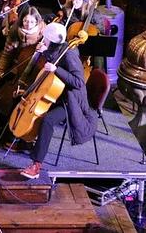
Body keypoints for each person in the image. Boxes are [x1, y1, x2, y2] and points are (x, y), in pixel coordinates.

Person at [19, 22, 97, 179]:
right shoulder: (57, 48)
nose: (43, 41)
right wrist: (44, 52)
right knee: (32, 108)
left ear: (52, 40)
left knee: (47, 120)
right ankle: (27, 140)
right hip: (57, 94)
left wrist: (56, 70)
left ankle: (36, 165)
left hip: (71, 102)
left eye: (46, 39)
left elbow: (78, 82)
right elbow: (54, 58)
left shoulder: (70, 54)